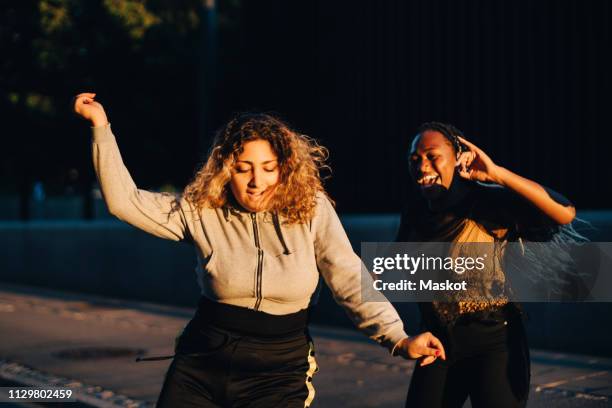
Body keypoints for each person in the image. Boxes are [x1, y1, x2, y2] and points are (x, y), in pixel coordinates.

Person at [72, 92, 446, 408]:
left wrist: (397, 337)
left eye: (268, 168)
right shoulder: (203, 209)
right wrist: (100, 127)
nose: (256, 182)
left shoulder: (311, 208)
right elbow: (125, 202)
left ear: (284, 168)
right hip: (203, 361)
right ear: (224, 169)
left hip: (279, 370)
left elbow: (347, 275)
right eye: (243, 168)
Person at [397, 122, 578, 408]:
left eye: (432, 156)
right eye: (415, 159)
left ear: (458, 157)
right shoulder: (415, 212)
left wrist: (497, 174)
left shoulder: (485, 201)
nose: (422, 166)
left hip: (494, 342)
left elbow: (565, 213)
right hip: (437, 343)